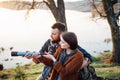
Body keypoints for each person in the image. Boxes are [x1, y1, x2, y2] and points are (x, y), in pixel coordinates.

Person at [25, 22, 92, 80]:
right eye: (51, 33)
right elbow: (39, 59)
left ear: (61, 34)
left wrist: (76, 67)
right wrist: (33, 57)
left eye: (54, 34)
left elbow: (88, 57)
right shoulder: (49, 43)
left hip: (63, 75)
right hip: (47, 73)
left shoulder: (71, 46)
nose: (50, 36)